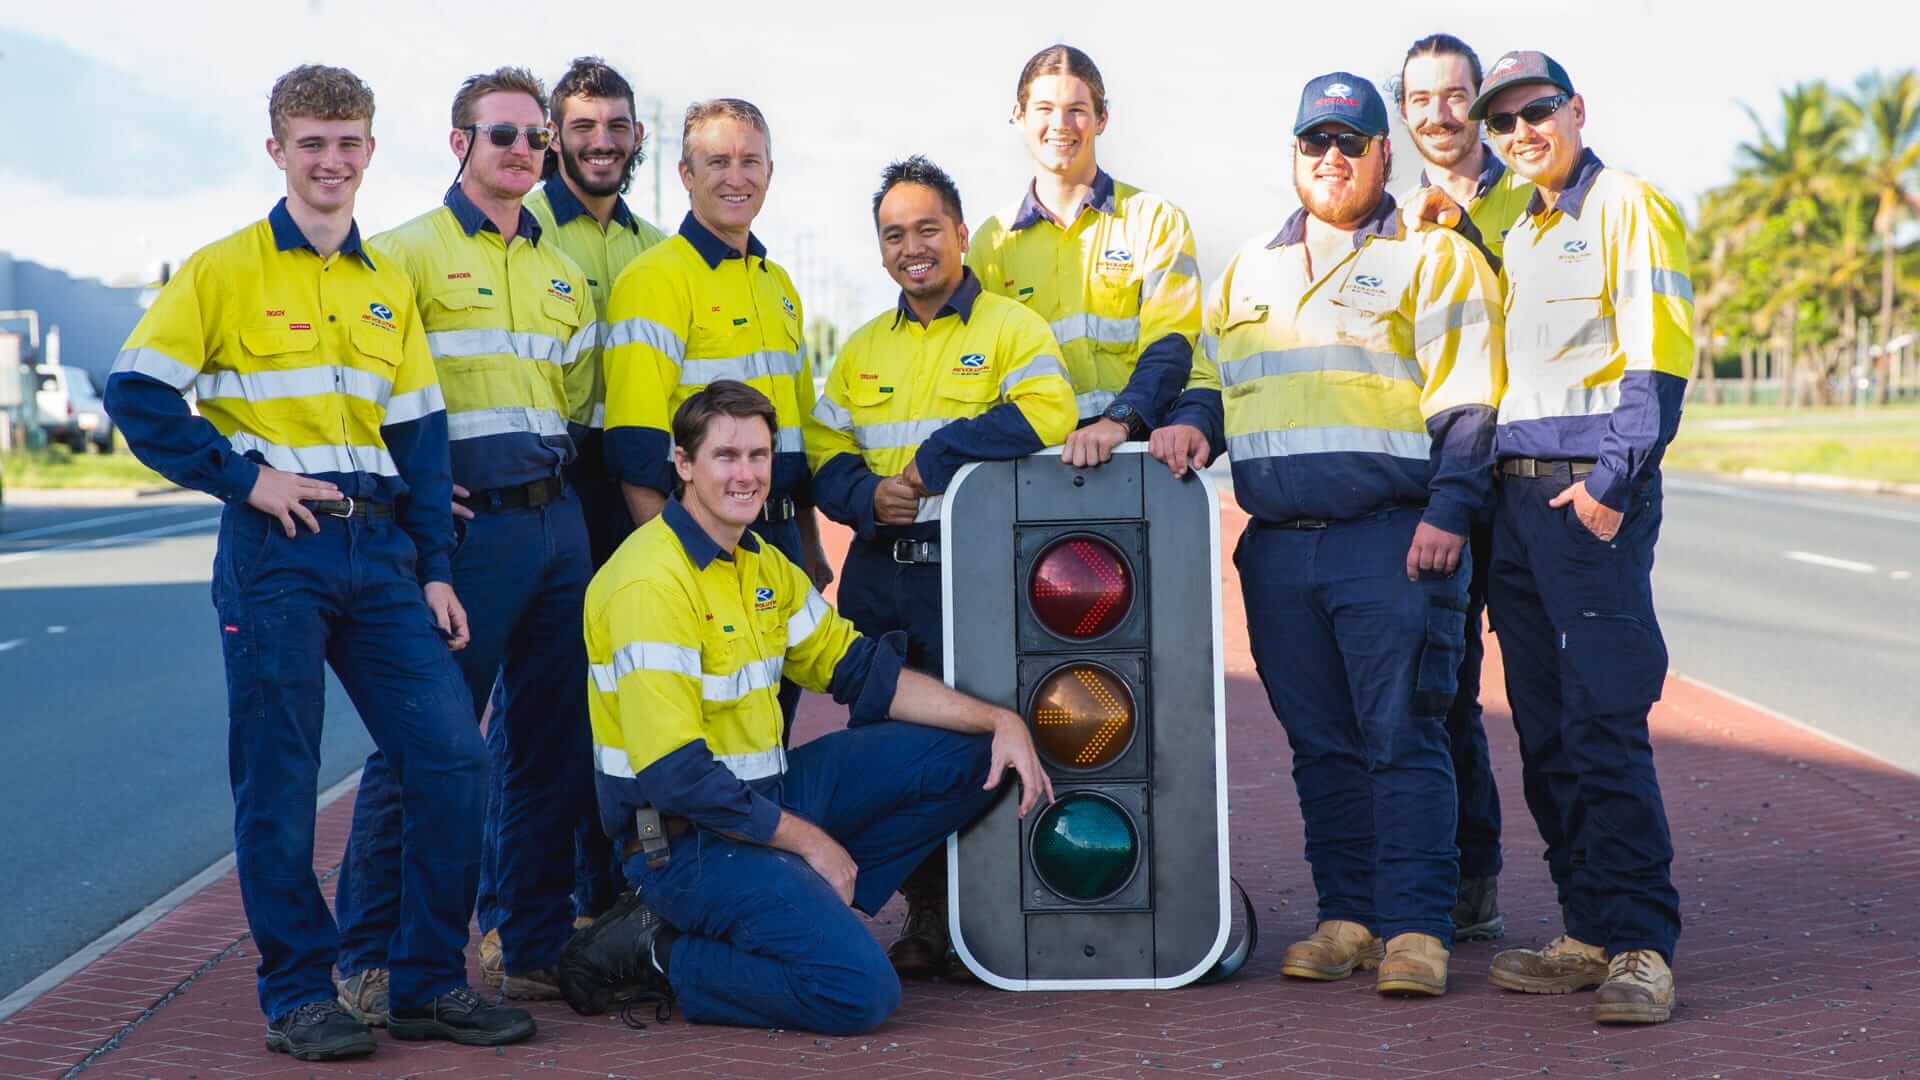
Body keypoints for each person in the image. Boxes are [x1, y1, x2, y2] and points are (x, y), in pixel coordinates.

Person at [102, 65, 526, 1058]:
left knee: (451, 756)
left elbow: (420, 437)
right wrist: (244, 480)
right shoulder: (224, 269)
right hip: (275, 551)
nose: (331, 162)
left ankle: (425, 982)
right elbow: (136, 391)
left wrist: (432, 568)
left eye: (348, 144)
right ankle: (299, 993)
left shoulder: (386, 286)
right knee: (280, 781)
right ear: (278, 151)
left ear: (371, 151)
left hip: (380, 554)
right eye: (311, 144)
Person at [555, 380, 1055, 1035]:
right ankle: (655, 950)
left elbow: (862, 672)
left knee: (976, 754)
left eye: (759, 456)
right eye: (726, 456)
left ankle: (801, 902)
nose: (746, 474)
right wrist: (812, 842)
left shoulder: (761, 564)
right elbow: (676, 776)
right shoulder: (650, 582)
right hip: (685, 841)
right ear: (683, 463)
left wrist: (1001, 721)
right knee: (857, 991)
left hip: (768, 799)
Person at [1153, 71, 1503, 998]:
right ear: (1295, 155)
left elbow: (1468, 402)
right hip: (1278, 548)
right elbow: (1212, 381)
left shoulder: (1433, 258)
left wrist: (1448, 514)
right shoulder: (1248, 270)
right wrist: (1193, 422)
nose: (1333, 159)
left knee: (1405, 735)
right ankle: (1346, 916)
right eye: (1317, 143)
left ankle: (1420, 929)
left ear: (1384, 153)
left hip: (1391, 539)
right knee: (1322, 745)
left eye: (1351, 143)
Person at [332, 65, 599, 1016]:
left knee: (551, 746)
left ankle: (525, 946)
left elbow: (568, 401)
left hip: (556, 524)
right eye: (503, 136)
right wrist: (408, 489)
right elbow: (354, 392)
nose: (523, 151)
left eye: (537, 138)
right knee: (428, 747)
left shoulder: (563, 271)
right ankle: (368, 960)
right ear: (461, 145)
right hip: (465, 531)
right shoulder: (398, 255)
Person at [803, 155, 1078, 974]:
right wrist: (863, 496)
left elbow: (1049, 411)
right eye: (895, 235)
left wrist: (936, 459)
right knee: (888, 746)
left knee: (975, 740)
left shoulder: (1009, 330)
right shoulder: (861, 348)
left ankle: (985, 913)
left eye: (928, 229)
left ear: (962, 234)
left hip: (972, 575)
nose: (912, 247)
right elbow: (824, 448)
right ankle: (924, 916)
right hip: (883, 576)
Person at [1469, 50, 1690, 1024]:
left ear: (1577, 110)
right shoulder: (1514, 226)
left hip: (1585, 499)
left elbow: (1660, 355)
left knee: (1603, 723)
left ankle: (1643, 945)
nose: (1523, 133)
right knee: (1547, 733)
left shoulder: (1624, 204)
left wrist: (1612, 484)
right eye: (1504, 122)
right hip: (1514, 504)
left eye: (1538, 111)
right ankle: (1589, 928)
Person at [468, 55, 671, 987]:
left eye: (617, 127)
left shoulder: (652, 249)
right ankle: (517, 917)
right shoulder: (523, 226)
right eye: (580, 127)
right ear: (554, 134)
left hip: (626, 474)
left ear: (638, 139)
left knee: (617, 697)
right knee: (533, 719)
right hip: (546, 478)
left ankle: (598, 901)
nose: (601, 143)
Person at [602, 97, 828, 740]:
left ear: (769, 172)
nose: (736, 176)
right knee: (705, 728)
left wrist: (809, 547)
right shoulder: (656, 280)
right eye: (717, 161)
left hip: (778, 548)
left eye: (749, 161)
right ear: (685, 175)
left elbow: (795, 438)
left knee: (769, 723)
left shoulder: (778, 284)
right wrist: (684, 569)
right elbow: (636, 446)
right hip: (706, 546)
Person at [1394, 30, 1538, 942]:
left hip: (1528, 478)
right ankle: (1468, 872)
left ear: (1481, 101)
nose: (1439, 116)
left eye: (1454, 96)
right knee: (1439, 689)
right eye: (1419, 102)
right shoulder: (1395, 218)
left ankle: (1603, 906)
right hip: (1447, 478)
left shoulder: (1533, 192)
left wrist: (1464, 225)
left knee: (1548, 694)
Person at [967, 44, 1200, 467]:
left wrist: (1118, 422)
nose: (1060, 125)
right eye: (1043, 109)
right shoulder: (991, 242)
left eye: (1076, 109)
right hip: (1027, 463)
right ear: (1018, 116)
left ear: (1102, 118)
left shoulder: (1155, 221)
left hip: (1132, 454)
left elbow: (1171, 346)